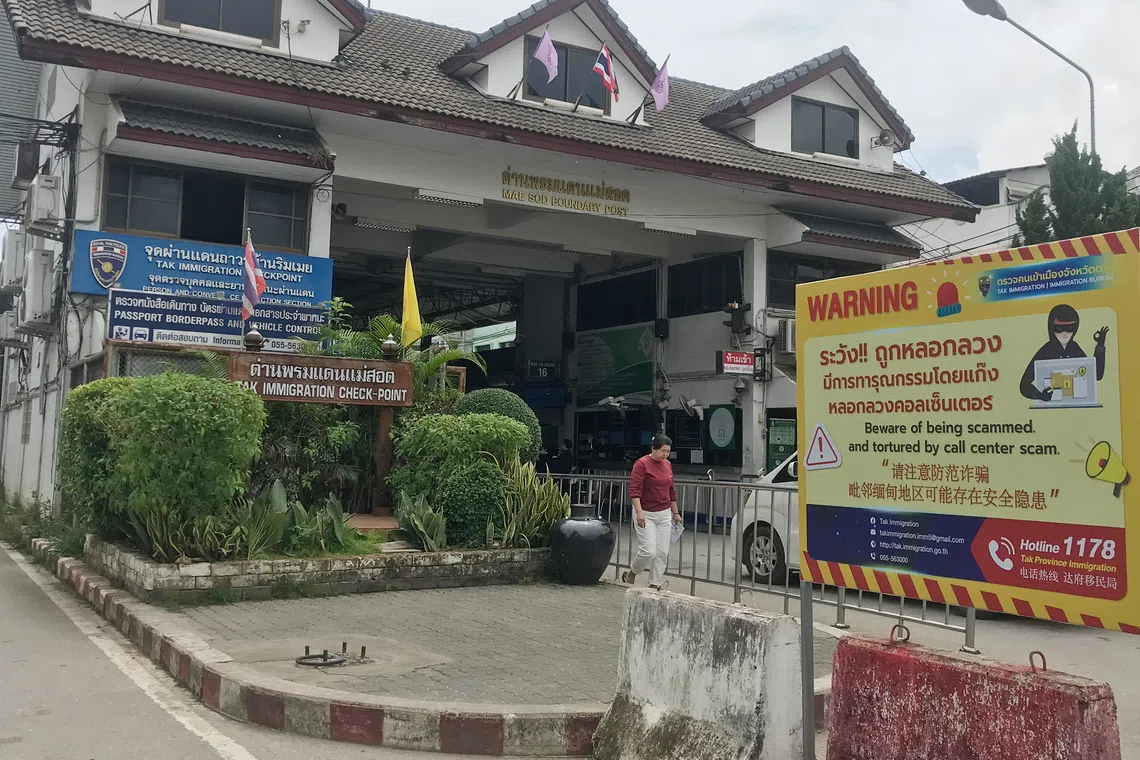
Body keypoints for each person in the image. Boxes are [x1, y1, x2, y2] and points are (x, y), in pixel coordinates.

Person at [622, 435, 682, 590]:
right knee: (648, 551)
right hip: (645, 512)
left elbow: (671, 490)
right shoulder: (641, 464)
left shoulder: (667, 464)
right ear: (653, 448)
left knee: (662, 552)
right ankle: (633, 572)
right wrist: (639, 512)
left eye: (668, 451)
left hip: (664, 512)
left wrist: (675, 513)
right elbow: (635, 491)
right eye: (663, 451)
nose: (665, 454)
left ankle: (654, 582)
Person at [1019, 304, 1108, 401]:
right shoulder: (1046, 351)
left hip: (1076, 405)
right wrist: (1039, 395)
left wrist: (1100, 346)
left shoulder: (1074, 348)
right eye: (1059, 328)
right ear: (1051, 328)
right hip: (1049, 409)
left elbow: (1096, 375)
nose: (1064, 333)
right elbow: (1024, 385)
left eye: (1070, 328)